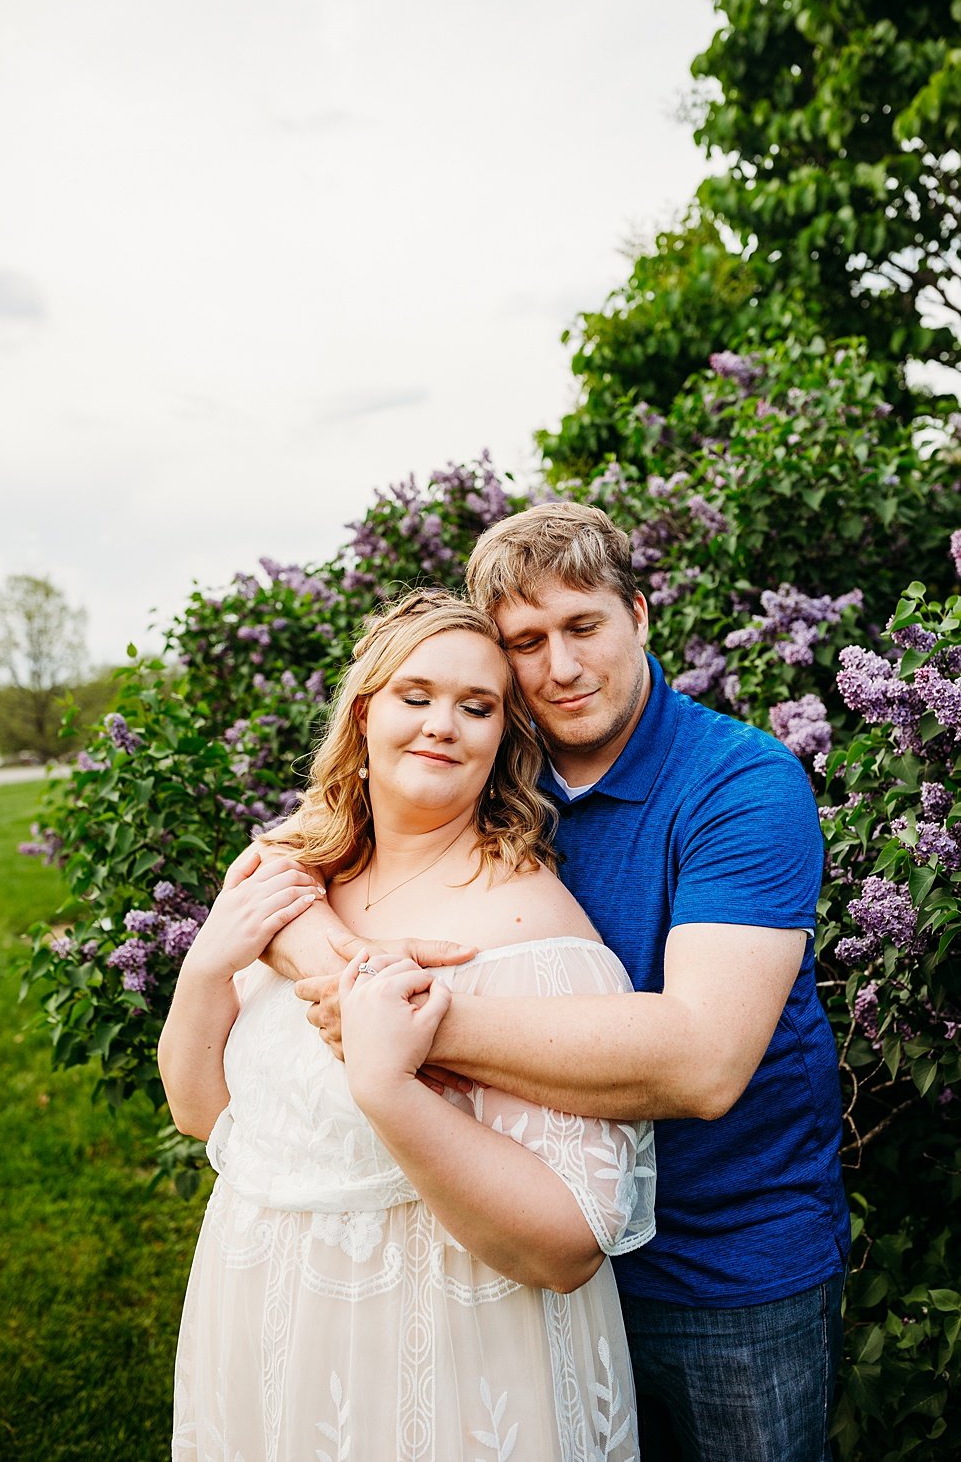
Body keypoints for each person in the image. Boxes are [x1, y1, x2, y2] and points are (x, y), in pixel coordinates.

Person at [267, 503, 850, 1462]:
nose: (561, 667)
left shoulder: (740, 785)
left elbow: (703, 1063)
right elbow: (279, 873)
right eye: (525, 643)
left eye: (583, 627)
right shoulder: (488, 767)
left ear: (641, 614)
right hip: (519, 1247)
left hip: (727, 1267)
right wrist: (351, 974)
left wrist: (413, 1027)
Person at [159, 589, 656, 1462]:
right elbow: (207, 1115)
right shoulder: (296, 884)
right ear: (364, 711)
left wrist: (390, 1088)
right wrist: (206, 966)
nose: (444, 725)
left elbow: (569, 1243)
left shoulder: (526, 930)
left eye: (478, 707)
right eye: (416, 696)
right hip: (264, 1319)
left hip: (437, 1351)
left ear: (504, 738)